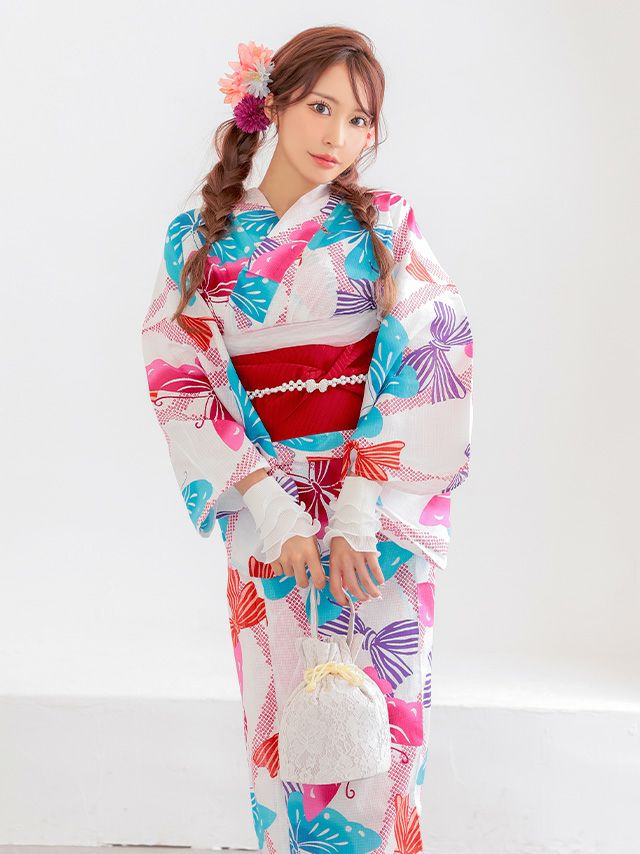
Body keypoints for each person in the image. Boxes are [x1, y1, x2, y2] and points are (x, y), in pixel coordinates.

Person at [141, 25, 474, 854]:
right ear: (273, 104)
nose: (338, 136)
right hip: (269, 515)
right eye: (321, 108)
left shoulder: (386, 224)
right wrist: (273, 508)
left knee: (388, 729)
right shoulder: (200, 239)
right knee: (286, 725)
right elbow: (180, 375)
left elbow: (431, 348)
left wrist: (359, 505)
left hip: (376, 516)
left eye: (359, 120)